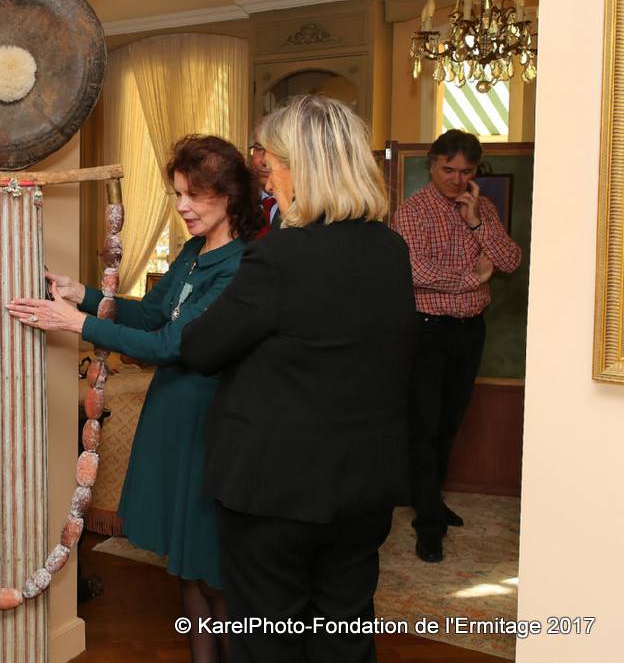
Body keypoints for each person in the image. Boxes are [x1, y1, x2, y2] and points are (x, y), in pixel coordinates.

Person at [7, 135, 263, 663]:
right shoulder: (194, 252)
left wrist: (76, 324)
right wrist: (84, 296)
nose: (182, 207)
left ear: (229, 194)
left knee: (212, 567)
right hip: (173, 414)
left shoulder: (242, 265)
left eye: (193, 195)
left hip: (211, 426)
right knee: (186, 563)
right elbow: (150, 314)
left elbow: (172, 344)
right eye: (177, 194)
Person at [181, 95, 417, 663]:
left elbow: (201, 349)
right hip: (363, 485)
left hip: (274, 491)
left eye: (271, 163)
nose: (266, 177)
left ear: (301, 168)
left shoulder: (280, 257)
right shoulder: (390, 249)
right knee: (344, 632)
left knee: (267, 642)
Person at [391, 129, 521, 563]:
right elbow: (415, 271)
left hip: (471, 330)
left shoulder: (483, 209)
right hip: (427, 331)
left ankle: (430, 498)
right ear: (432, 165)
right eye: (448, 169)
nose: (457, 179)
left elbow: (509, 260)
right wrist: (473, 277)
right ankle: (429, 523)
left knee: (449, 422)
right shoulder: (411, 212)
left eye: (466, 171)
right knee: (424, 425)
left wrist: (477, 223)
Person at [247, 135, 278, 238]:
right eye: (259, 149)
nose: (264, 161)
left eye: (275, 150)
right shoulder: (238, 197)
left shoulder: (305, 206)